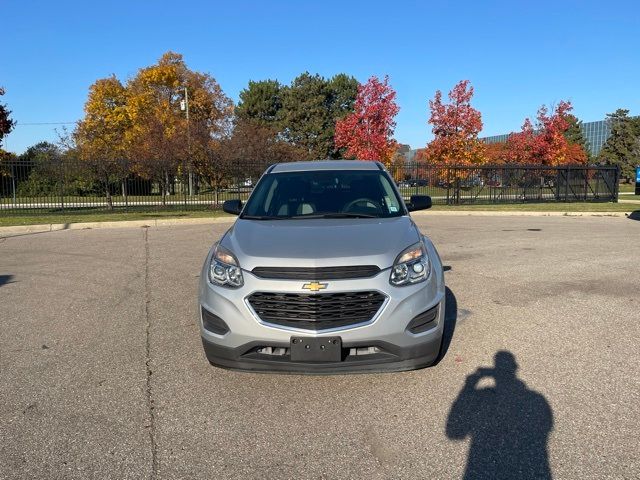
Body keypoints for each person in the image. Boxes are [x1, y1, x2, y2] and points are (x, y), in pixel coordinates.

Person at [446, 351, 553, 479]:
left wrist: (470, 384)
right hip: (534, 467)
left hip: (481, 467)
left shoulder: (483, 396)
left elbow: (455, 433)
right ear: (515, 368)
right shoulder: (537, 399)